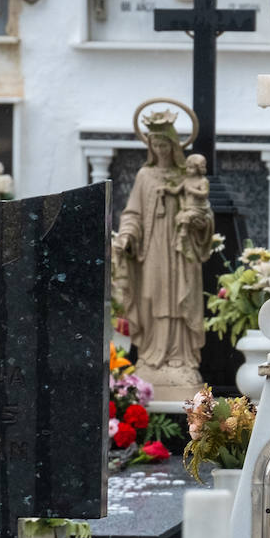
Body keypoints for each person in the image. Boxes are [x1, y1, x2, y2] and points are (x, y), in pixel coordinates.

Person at [112, 111, 215, 399]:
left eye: (164, 145)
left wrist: (199, 221)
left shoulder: (188, 176)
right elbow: (132, 212)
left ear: (174, 146)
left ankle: (180, 358)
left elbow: (204, 211)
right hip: (154, 248)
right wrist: (127, 235)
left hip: (181, 252)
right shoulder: (144, 175)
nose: (160, 150)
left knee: (179, 297)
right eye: (154, 145)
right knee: (154, 297)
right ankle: (152, 357)